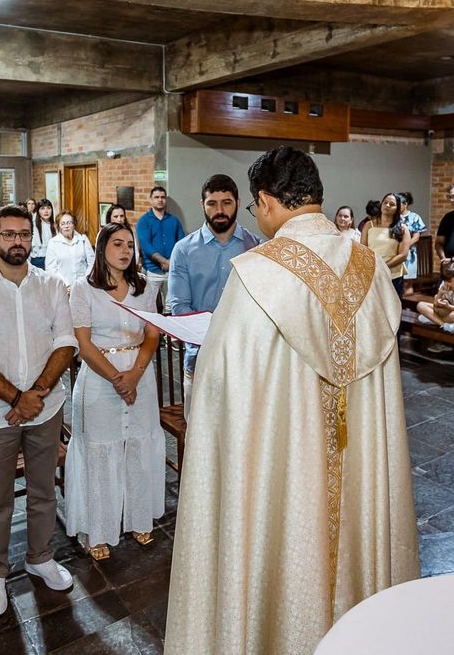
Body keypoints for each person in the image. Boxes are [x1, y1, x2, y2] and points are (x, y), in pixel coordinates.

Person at [165, 147, 418, 655]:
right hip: (358, 454)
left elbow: (221, 387)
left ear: (264, 201)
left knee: (283, 525)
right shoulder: (370, 264)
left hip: (285, 465)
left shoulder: (258, 271)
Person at [0, 206, 78, 614]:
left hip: (45, 408)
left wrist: (36, 394)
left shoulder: (53, 285)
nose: (17, 241)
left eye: (24, 234)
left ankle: (40, 557)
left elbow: (66, 343)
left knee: (43, 491)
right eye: (8, 235)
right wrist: (16, 399)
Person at [65, 222, 164, 560]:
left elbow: (152, 333)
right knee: (100, 452)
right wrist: (117, 379)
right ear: (102, 249)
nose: (125, 251)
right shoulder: (84, 289)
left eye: (130, 245)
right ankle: (98, 528)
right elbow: (84, 343)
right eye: (117, 244)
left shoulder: (144, 287)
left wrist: (135, 375)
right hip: (99, 378)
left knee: (138, 445)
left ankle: (138, 518)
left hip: (140, 376)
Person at [167, 174, 262, 417]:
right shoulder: (184, 250)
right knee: (196, 442)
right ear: (203, 205)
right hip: (200, 361)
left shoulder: (258, 248)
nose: (219, 210)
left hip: (245, 363)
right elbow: (179, 307)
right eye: (212, 203)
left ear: (238, 203)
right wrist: (215, 336)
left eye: (226, 202)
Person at [135, 186, 184, 309]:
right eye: (156, 197)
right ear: (151, 200)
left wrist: (171, 262)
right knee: (149, 306)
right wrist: (164, 261)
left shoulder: (174, 221)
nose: (160, 200)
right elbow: (146, 246)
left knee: (170, 305)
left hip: (172, 270)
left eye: (162, 197)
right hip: (152, 271)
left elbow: (181, 244)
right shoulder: (143, 221)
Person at [361, 192, 411, 297]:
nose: (387, 205)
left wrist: (383, 267)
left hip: (393, 274)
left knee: (392, 309)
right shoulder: (369, 225)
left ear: (397, 209)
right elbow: (363, 250)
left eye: (392, 204)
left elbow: (403, 255)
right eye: (385, 202)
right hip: (372, 273)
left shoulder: (402, 229)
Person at [45, 211, 94, 289]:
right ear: (58, 226)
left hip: (83, 286)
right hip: (63, 287)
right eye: (63, 223)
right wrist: (66, 285)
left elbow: (92, 263)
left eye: (69, 223)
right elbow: (51, 269)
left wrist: (84, 281)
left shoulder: (82, 239)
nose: (66, 226)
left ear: (74, 224)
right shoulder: (53, 242)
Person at [398, 191, 428, 292]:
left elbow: (416, 237)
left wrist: (404, 247)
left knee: (407, 281)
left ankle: (407, 306)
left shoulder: (415, 217)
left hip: (409, 253)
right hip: (394, 252)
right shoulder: (393, 217)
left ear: (405, 204)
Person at [30, 198, 57, 269]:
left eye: (48, 208)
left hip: (53, 259)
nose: (46, 211)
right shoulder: (33, 225)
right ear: (38, 211)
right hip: (38, 260)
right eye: (42, 208)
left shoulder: (55, 225)